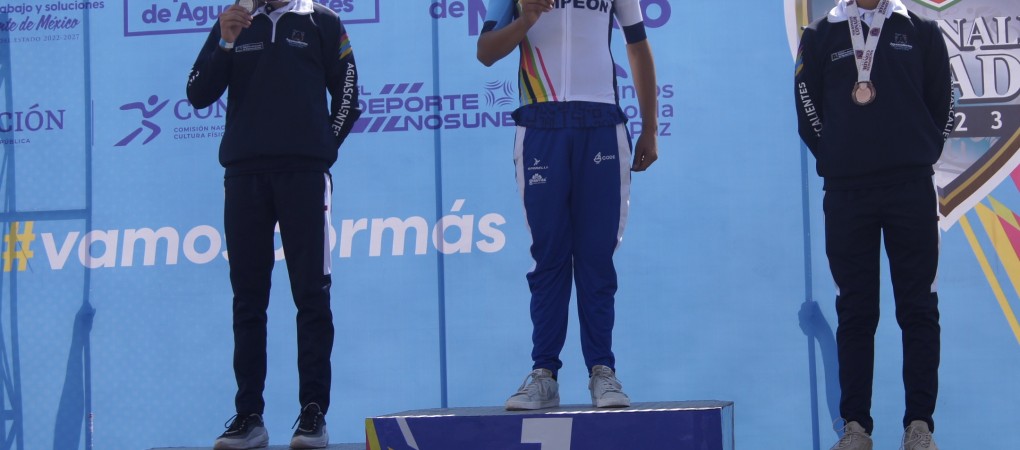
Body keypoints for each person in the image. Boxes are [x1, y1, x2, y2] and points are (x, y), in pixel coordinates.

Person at [186, 0, 360, 448]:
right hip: (244, 176)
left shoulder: (323, 21)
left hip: (304, 176)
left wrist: (321, 148)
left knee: (312, 296)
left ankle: (313, 415)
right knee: (248, 301)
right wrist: (225, 42)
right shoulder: (234, 21)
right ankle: (249, 417)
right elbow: (198, 93)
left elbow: (348, 96)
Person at [476, 0, 659, 410]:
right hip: (540, 126)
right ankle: (544, 375)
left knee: (596, 257)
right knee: (549, 255)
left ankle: (603, 372)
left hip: (601, 124)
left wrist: (650, 127)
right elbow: (486, 52)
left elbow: (637, 46)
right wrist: (526, 18)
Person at [794, 0, 954, 449]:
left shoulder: (921, 30)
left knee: (918, 308)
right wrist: (839, 154)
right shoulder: (821, 34)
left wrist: (919, 148)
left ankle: (919, 425)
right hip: (847, 192)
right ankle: (856, 427)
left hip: (910, 187)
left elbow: (944, 101)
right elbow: (807, 107)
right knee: (856, 310)